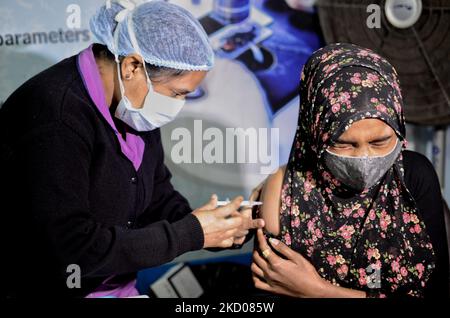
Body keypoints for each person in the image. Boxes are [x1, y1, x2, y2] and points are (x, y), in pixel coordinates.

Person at [1, 0, 264, 297]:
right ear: (132, 66)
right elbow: (70, 248)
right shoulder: (56, 117)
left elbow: (156, 196)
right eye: (177, 93)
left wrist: (220, 226)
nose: (179, 105)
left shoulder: (132, 106)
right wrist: (191, 233)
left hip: (115, 287)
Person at [250, 43, 449, 298]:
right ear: (314, 131)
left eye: (380, 142)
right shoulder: (285, 188)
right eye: (343, 144)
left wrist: (320, 291)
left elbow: (436, 293)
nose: (364, 158)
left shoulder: (414, 176)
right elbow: (268, 290)